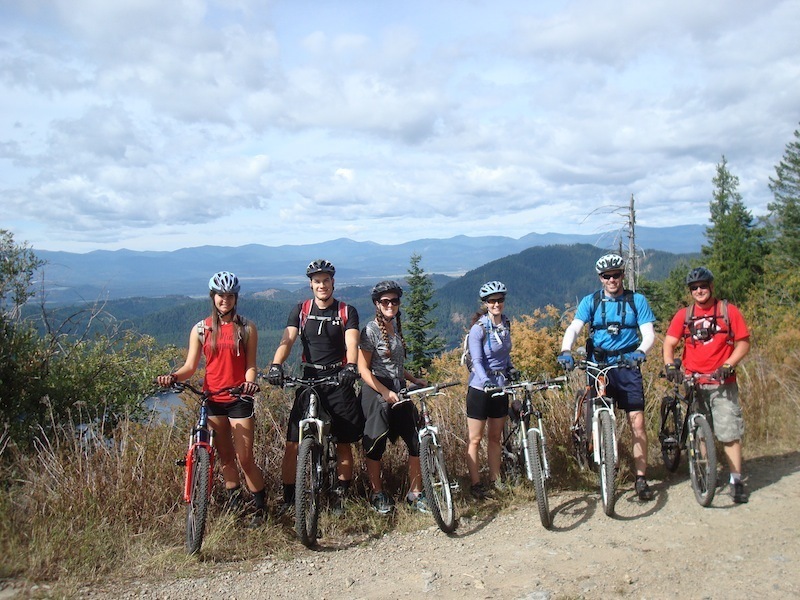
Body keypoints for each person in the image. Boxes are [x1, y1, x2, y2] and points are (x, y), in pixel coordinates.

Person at [157, 271, 266, 526]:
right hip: (213, 398)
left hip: (239, 397)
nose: (224, 300)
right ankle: (235, 505)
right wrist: (173, 376)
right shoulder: (201, 329)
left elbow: (251, 364)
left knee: (245, 458)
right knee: (226, 458)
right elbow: (190, 367)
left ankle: (261, 507)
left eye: (229, 296)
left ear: (235, 298)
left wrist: (250, 382)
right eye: (220, 295)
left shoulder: (247, 328)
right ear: (213, 297)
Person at [266, 259, 363, 515]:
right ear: (311, 284)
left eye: (326, 280)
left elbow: (351, 341)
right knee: (292, 443)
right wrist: (276, 365)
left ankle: (340, 495)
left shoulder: (345, 310)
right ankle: (289, 498)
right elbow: (287, 341)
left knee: (343, 442)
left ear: (333, 282)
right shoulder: (300, 310)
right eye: (317, 281)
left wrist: (350, 366)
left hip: (337, 378)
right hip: (309, 379)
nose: (322, 285)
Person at [557, 253, 657, 501]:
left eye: (616, 274)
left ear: (623, 275)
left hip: (627, 364)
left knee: (637, 422)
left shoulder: (637, 301)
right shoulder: (591, 301)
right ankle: (606, 462)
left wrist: (641, 352)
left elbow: (648, 334)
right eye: (606, 276)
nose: (612, 279)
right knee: (599, 415)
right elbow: (575, 327)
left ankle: (641, 477)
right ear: (600, 278)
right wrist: (566, 351)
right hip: (598, 364)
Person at [662, 267, 751, 503]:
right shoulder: (684, 315)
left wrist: (729, 364)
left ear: (711, 287)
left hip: (722, 381)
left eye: (703, 286)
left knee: (729, 431)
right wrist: (671, 366)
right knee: (700, 431)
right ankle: (707, 472)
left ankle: (736, 479)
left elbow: (743, 343)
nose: (699, 291)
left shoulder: (728, 311)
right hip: (693, 380)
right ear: (690, 292)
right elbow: (669, 343)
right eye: (694, 288)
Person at [358, 281, 429, 514]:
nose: (390, 305)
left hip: (398, 388)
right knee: (375, 443)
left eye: (394, 301)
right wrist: (384, 392)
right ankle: (377, 494)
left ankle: (415, 494)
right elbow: (364, 369)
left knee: (415, 440)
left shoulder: (394, 328)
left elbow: (395, 364)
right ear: (377, 304)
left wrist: (413, 379)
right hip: (376, 389)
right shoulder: (370, 330)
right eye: (385, 301)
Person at [465, 281, 519, 499]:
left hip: (500, 386)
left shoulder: (506, 324)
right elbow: (477, 359)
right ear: (485, 303)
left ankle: (495, 480)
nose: (496, 303)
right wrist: (485, 380)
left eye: (500, 300)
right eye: (492, 300)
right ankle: (476, 484)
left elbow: (504, 356)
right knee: (475, 439)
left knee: (495, 437)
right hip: (479, 388)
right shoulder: (478, 329)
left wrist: (511, 368)